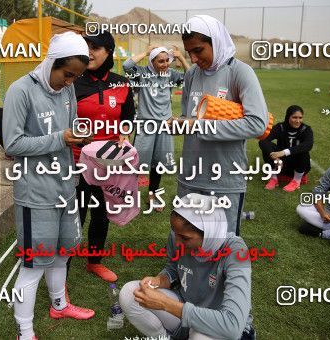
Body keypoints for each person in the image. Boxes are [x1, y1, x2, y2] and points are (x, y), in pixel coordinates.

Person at [2, 32, 95, 340]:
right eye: (67, 74)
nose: (70, 82)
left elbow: (70, 129)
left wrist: (81, 136)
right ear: (51, 63)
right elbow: (13, 144)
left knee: (62, 252)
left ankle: (60, 304)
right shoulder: (21, 90)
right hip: (36, 193)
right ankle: (24, 331)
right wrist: (60, 138)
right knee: (33, 264)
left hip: (66, 187)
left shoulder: (67, 91)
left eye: (76, 77)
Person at [171, 15, 269, 235]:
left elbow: (257, 124)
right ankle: (177, 271)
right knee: (187, 236)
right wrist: (178, 124)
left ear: (215, 41)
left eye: (199, 50)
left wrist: (201, 127)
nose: (194, 58)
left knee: (221, 242)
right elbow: (189, 119)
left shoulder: (240, 72)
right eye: (189, 53)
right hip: (190, 175)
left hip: (224, 179)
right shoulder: (191, 75)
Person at [119, 193, 252, 340]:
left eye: (185, 238)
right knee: (130, 293)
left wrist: (164, 303)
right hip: (185, 308)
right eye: (175, 233)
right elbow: (174, 267)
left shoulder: (236, 250)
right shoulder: (178, 235)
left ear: (209, 233)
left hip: (220, 325)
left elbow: (232, 326)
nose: (177, 243)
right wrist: (159, 280)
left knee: (200, 336)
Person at [71, 31, 136, 282]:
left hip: (109, 163)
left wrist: (125, 135)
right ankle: (63, 261)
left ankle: (94, 261)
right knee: (76, 212)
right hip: (77, 162)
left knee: (101, 212)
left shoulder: (122, 83)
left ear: (108, 51)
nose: (89, 52)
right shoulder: (72, 81)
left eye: (95, 47)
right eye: (85, 46)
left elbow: (128, 118)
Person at [123, 45, 190, 211]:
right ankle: (128, 194)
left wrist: (181, 58)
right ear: (151, 62)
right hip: (146, 125)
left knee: (158, 164)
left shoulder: (170, 75)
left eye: (167, 60)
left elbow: (191, 77)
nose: (165, 64)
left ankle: (153, 195)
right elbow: (126, 66)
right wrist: (145, 52)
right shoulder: (142, 73)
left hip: (165, 125)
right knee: (136, 162)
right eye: (161, 61)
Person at [258, 105, 313, 192]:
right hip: (280, 165)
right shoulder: (280, 127)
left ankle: (296, 181)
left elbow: (308, 145)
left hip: (298, 166)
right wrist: (275, 157)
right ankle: (274, 178)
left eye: (300, 117)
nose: (298, 121)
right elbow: (263, 140)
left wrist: (284, 152)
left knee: (303, 150)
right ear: (288, 117)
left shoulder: (306, 129)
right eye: (294, 117)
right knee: (268, 147)